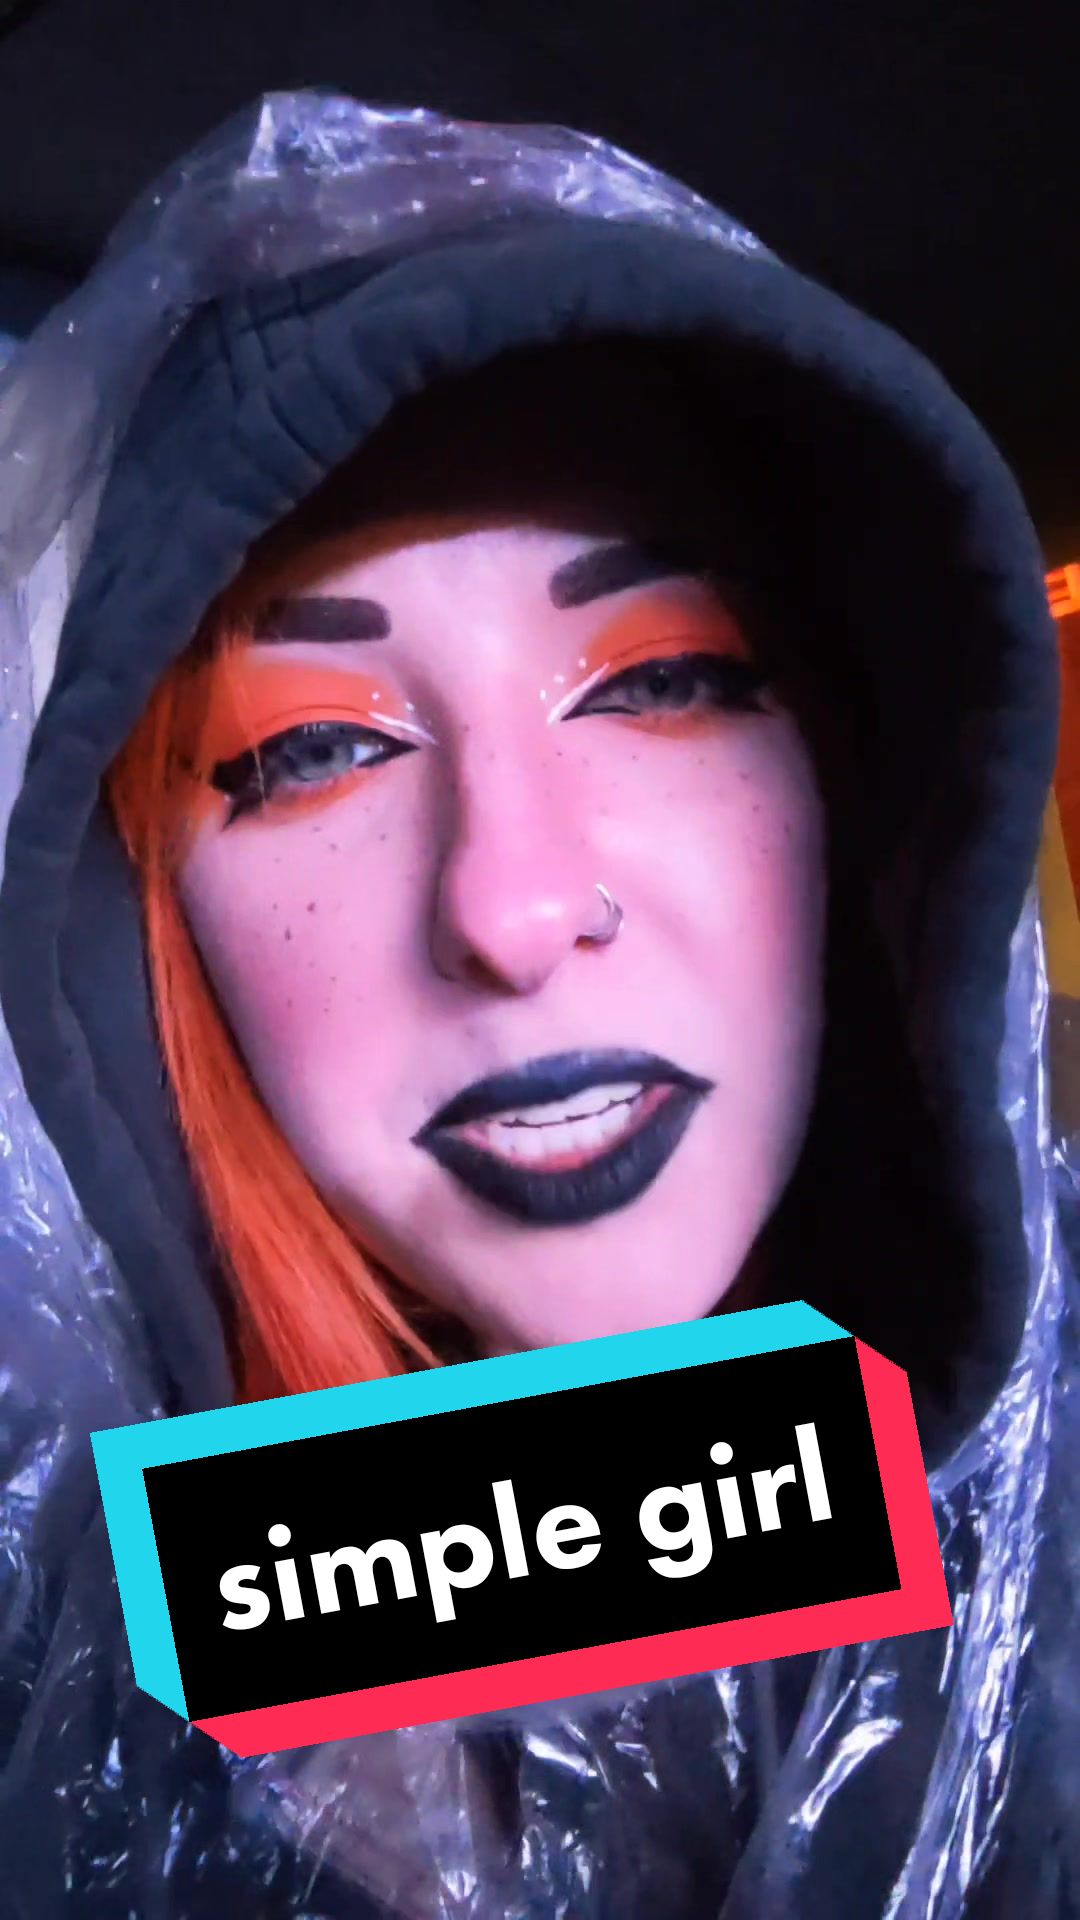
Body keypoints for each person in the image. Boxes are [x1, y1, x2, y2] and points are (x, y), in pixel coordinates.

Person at [0, 92, 1076, 1919]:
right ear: (135, 918)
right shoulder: (77, 1678)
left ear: (868, 783)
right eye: (310, 750)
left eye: (659, 684)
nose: (511, 909)